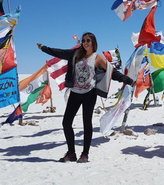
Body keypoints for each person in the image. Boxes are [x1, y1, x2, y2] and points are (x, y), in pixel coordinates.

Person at [37, 32, 135, 163]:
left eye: (88, 40)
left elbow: (113, 73)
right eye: (83, 40)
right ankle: (71, 153)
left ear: (93, 42)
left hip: (89, 94)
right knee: (66, 123)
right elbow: (59, 52)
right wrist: (44, 48)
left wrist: (128, 80)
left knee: (86, 123)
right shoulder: (75, 54)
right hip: (75, 93)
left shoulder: (97, 58)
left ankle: (85, 154)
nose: (85, 42)